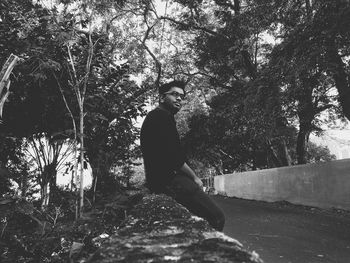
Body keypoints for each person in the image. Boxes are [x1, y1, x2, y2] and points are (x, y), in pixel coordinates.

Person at [140, 80, 225, 231]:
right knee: (216, 218)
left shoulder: (157, 116)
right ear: (161, 98)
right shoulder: (161, 117)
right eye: (174, 94)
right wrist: (195, 178)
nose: (179, 98)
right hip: (170, 181)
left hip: (161, 180)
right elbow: (174, 157)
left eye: (181, 96)